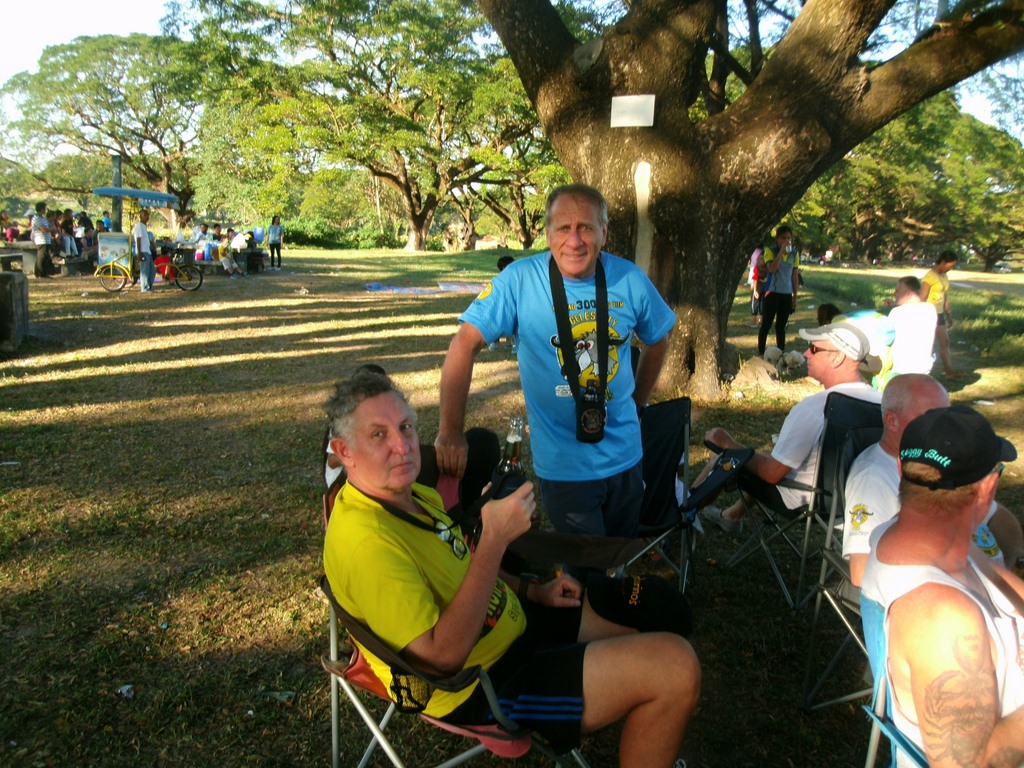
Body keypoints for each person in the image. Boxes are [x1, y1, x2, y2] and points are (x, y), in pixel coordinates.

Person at [323, 370, 700, 766]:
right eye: (378, 435)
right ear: (344, 451)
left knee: (660, 612)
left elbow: (460, 564)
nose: (402, 446)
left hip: (518, 621)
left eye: (405, 427)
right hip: (484, 683)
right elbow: (441, 660)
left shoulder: (410, 493)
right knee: (676, 668)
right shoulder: (366, 543)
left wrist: (530, 591)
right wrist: (494, 540)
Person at [435, 184, 675, 546]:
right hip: (565, 467)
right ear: (548, 234)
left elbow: (657, 339)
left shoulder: (629, 279)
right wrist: (451, 431)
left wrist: (638, 403)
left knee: (619, 557)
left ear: (603, 232)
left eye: (586, 228)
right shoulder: (519, 281)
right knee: (584, 564)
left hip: (626, 457)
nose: (574, 241)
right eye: (563, 228)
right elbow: (464, 344)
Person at [860, 405, 1024, 766]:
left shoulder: (925, 541)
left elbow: (1005, 586)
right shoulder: (943, 620)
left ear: (901, 469)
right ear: (988, 489)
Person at [701, 320, 882, 533]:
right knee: (766, 455)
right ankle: (732, 515)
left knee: (723, 457)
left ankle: (683, 515)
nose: (806, 354)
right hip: (855, 503)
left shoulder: (816, 407)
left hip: (804, 500)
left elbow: (771, 473)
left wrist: (727, 443)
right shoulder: (883, 404)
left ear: (838, 357)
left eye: (814, 349)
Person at [843, 374, 1023, 587]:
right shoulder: (872, 478)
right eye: (930, 415)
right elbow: (861, 571)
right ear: (892, 421)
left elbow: (995, 513)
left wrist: (1017, 558)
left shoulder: (941, 458)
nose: (946, 425)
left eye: (947, 413)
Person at [757, 225, 800, 355]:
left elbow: (794, 276)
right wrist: (781, 252)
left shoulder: (794, 254)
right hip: (772, 292)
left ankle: (781, 353)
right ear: (777, 239)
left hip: (786, 294)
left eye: (789, 238)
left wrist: (795, 297)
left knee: (781, 326)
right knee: (766, 324)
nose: (786, 241)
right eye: (783, 238)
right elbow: (772, 269)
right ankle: (761, 352)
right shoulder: (770, 251)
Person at [886, 275, 936, 378]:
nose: (894, 293)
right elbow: (913, 309)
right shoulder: (930, 309)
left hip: (900, 369)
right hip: (923, 369)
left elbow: (887, 339)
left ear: (909, 294)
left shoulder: (896, 313)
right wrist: (896, 304)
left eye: (897, 291)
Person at [920, 250, 958, 378]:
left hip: (939, 314)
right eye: (950, 266)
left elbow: (944, 297)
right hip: (928, 314)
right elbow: (922, 297)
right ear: (943, 262)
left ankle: (949, 371)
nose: (951, 269)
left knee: (945, 342)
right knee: (927, 344)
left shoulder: (944, 276)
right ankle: (922, 372)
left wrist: (949, 315)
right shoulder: (930, 277)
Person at [30, 201, 58, 278]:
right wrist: (52, 229)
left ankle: (42, 273)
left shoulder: (42, 218)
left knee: (44, 257)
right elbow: (44, 230)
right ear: (42, 209)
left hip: (46, 239)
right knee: (41, 257)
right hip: (41, 240)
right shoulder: (36, 219)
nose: (46, 210)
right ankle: (41, 273)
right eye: (45, 208)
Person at [133, 210, 155, 293]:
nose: (147, 217)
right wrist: (139, 253)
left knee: (152, 270)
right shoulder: (139, 226)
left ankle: (149, 286)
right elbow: (138, 240)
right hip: (142, 251)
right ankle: (145, 288)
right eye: (145, 215)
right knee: (144, 270)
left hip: (147, 251)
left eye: (147, 215)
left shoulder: (144, 226)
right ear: (141, 216)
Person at [748, 247, 765, 327]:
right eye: (760, 259)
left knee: (761, 304)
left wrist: (755, 290)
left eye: (762, 259)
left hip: (762, 289)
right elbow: (755, 280)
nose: (761, 260)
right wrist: (755, 290)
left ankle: (760, 320)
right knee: (756, 304)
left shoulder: (766, 269)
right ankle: (755, 319)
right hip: (759, 288)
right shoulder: (757, 269)